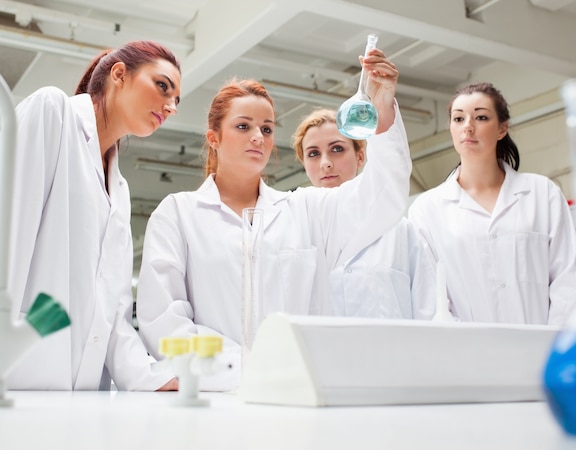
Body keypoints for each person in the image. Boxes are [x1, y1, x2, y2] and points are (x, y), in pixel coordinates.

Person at [136, 47, 412, 390]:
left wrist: (382, 109)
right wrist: (249, 369)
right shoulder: (178, 214)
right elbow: (164, 322)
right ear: (214, 138)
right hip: (219, 399)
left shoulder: (306, 211)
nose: (258, 137)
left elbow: (385, 193)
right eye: (243, 126)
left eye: (266, 129)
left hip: (298, 398)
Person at [6, 41, 181, 391]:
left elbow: (113, 307)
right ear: (119, 74)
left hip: (83, 392)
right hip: (16, 373)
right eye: (163, 86)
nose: (171, 106)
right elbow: (6, 236)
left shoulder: (120, 187)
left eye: (177, 100)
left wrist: (151, 378)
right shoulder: (51, 111)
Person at [407, 82, 576, 325]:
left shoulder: (543, 193)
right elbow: (432, 300)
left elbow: (568, 281)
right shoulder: (426, 209)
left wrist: (552, 349)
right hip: (470, 354)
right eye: (458, 119)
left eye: (480, 117)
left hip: (543, 352)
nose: (468, 127)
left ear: (502, 128)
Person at [291, 107, 436, 319]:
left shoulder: (400, 231)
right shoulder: (296, 228)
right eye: (313, 154)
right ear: (304, 164)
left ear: (360, 157)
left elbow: (428, 310)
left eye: (337, 149)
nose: (325, 163)